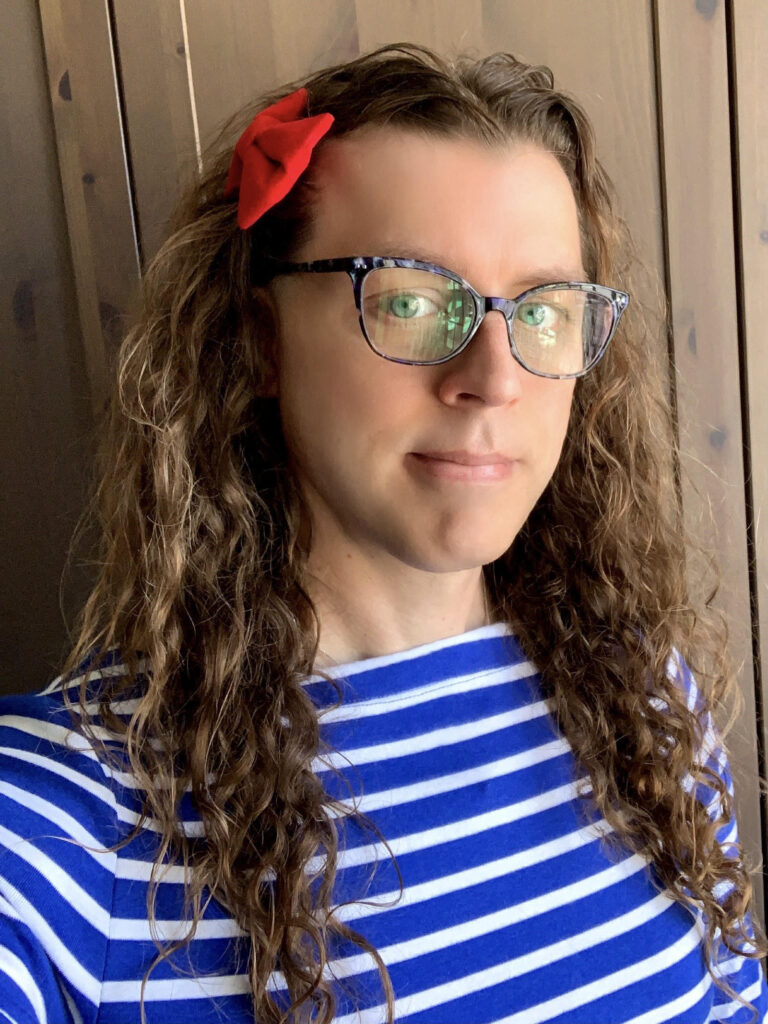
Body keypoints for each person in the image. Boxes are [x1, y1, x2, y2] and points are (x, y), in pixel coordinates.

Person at [0, 42, 765, 1024]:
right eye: (408, 298)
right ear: (261, 337)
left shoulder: (646, 702)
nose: (493, 375)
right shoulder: (71, 822)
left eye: (543, 310)